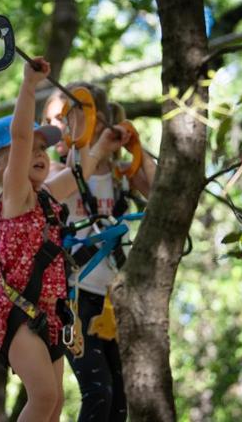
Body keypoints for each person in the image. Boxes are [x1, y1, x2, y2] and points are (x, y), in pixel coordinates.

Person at [0, 58, 123, 422]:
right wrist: (29, 85)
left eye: (45, 150)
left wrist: (102, 147)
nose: (41, 154)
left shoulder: (45, 198)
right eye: (33, 149)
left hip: (50, 314)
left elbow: (78, 174)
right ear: (0, 166)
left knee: (55, 403)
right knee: (43, 396)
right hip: (18, 310)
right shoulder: (15, 198)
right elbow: (21, 136)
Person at [51, 82, 156, 422]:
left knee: (120, 401)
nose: (66, 124)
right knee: (98, 391)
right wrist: (91, 148)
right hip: (76, 296)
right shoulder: (59, 170)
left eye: (73, 116)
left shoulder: (119, 175)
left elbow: (161, 192)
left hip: (112, 300)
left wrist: (135, 147)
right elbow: (51, 196)